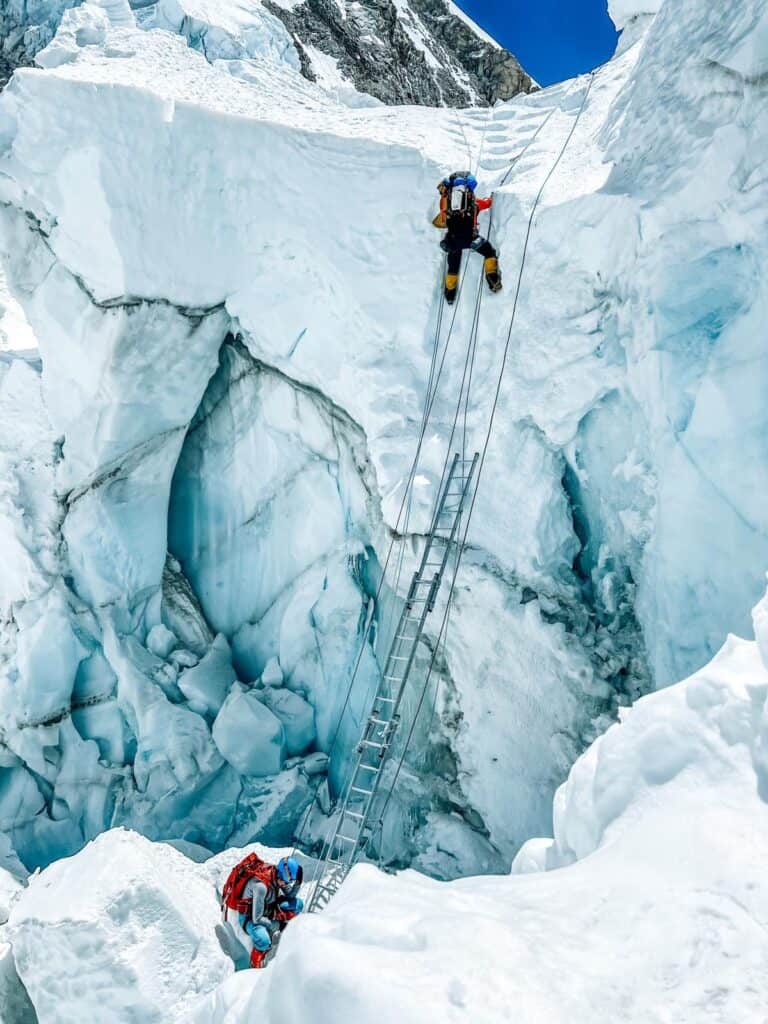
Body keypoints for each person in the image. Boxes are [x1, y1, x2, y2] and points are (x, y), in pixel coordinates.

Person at [221, 852, 304, 969]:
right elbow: (257, 918)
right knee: (263, 941)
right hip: (249, 917)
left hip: (267, 907)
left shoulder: (277, 875)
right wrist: (277, 925)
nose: (286, 885)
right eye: (286, 882)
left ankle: (283, 928)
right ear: (282, 875)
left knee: (298, 905)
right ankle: (255, 966)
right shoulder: (261, 887)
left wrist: (297, 883)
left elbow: (290, 895)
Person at [432, 171, 502, 304]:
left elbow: (442, 219)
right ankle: (493, 280)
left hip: (452, 241)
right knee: (489, 252)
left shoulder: (446, 204)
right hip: (471, 239)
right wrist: (490, 198)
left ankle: (450, 295)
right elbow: (487, 203)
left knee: (453, 266)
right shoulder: (473, 203)